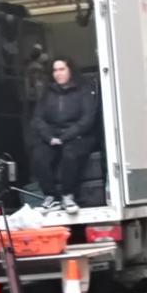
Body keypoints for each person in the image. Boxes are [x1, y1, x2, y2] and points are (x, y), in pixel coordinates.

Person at [32, 57, 97, 214]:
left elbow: (87, 119)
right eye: (55, 70)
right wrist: (49, 137)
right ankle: (51, 197)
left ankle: (68, 196)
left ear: (70, 71)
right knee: (39, 156)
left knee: (70, 154)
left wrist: (65, 137)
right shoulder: (48, 92)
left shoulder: (83, 90)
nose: (58, 73)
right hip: (53, 136)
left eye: (62, 69)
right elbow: (38, 118)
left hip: (78, 136)